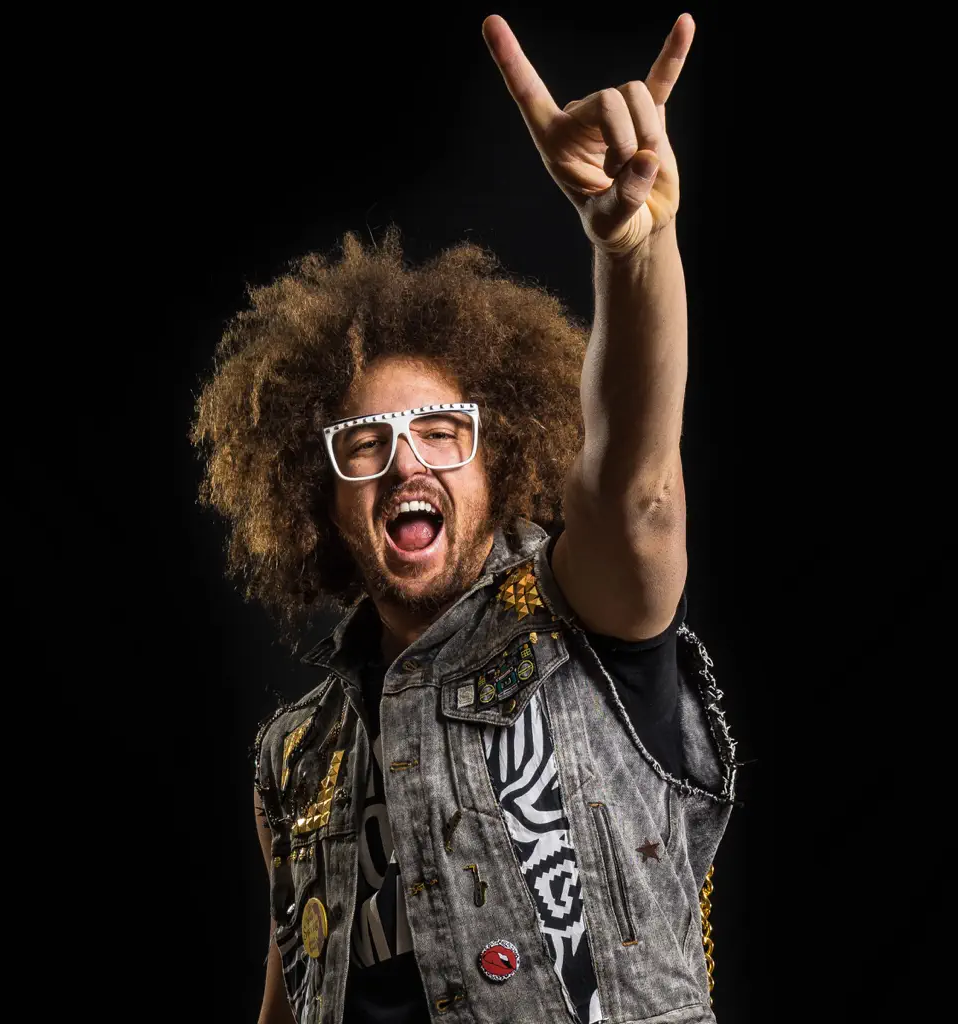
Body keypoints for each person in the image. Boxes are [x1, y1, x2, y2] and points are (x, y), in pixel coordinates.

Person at [190, 13, 739, 1024]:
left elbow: (640, 489)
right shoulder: (292, 757)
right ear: (322, 497)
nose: (407, 461)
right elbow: (293, 993)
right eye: (366, 442)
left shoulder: (586, 619)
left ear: (499, 463)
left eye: (443, 433)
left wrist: (634, 247)